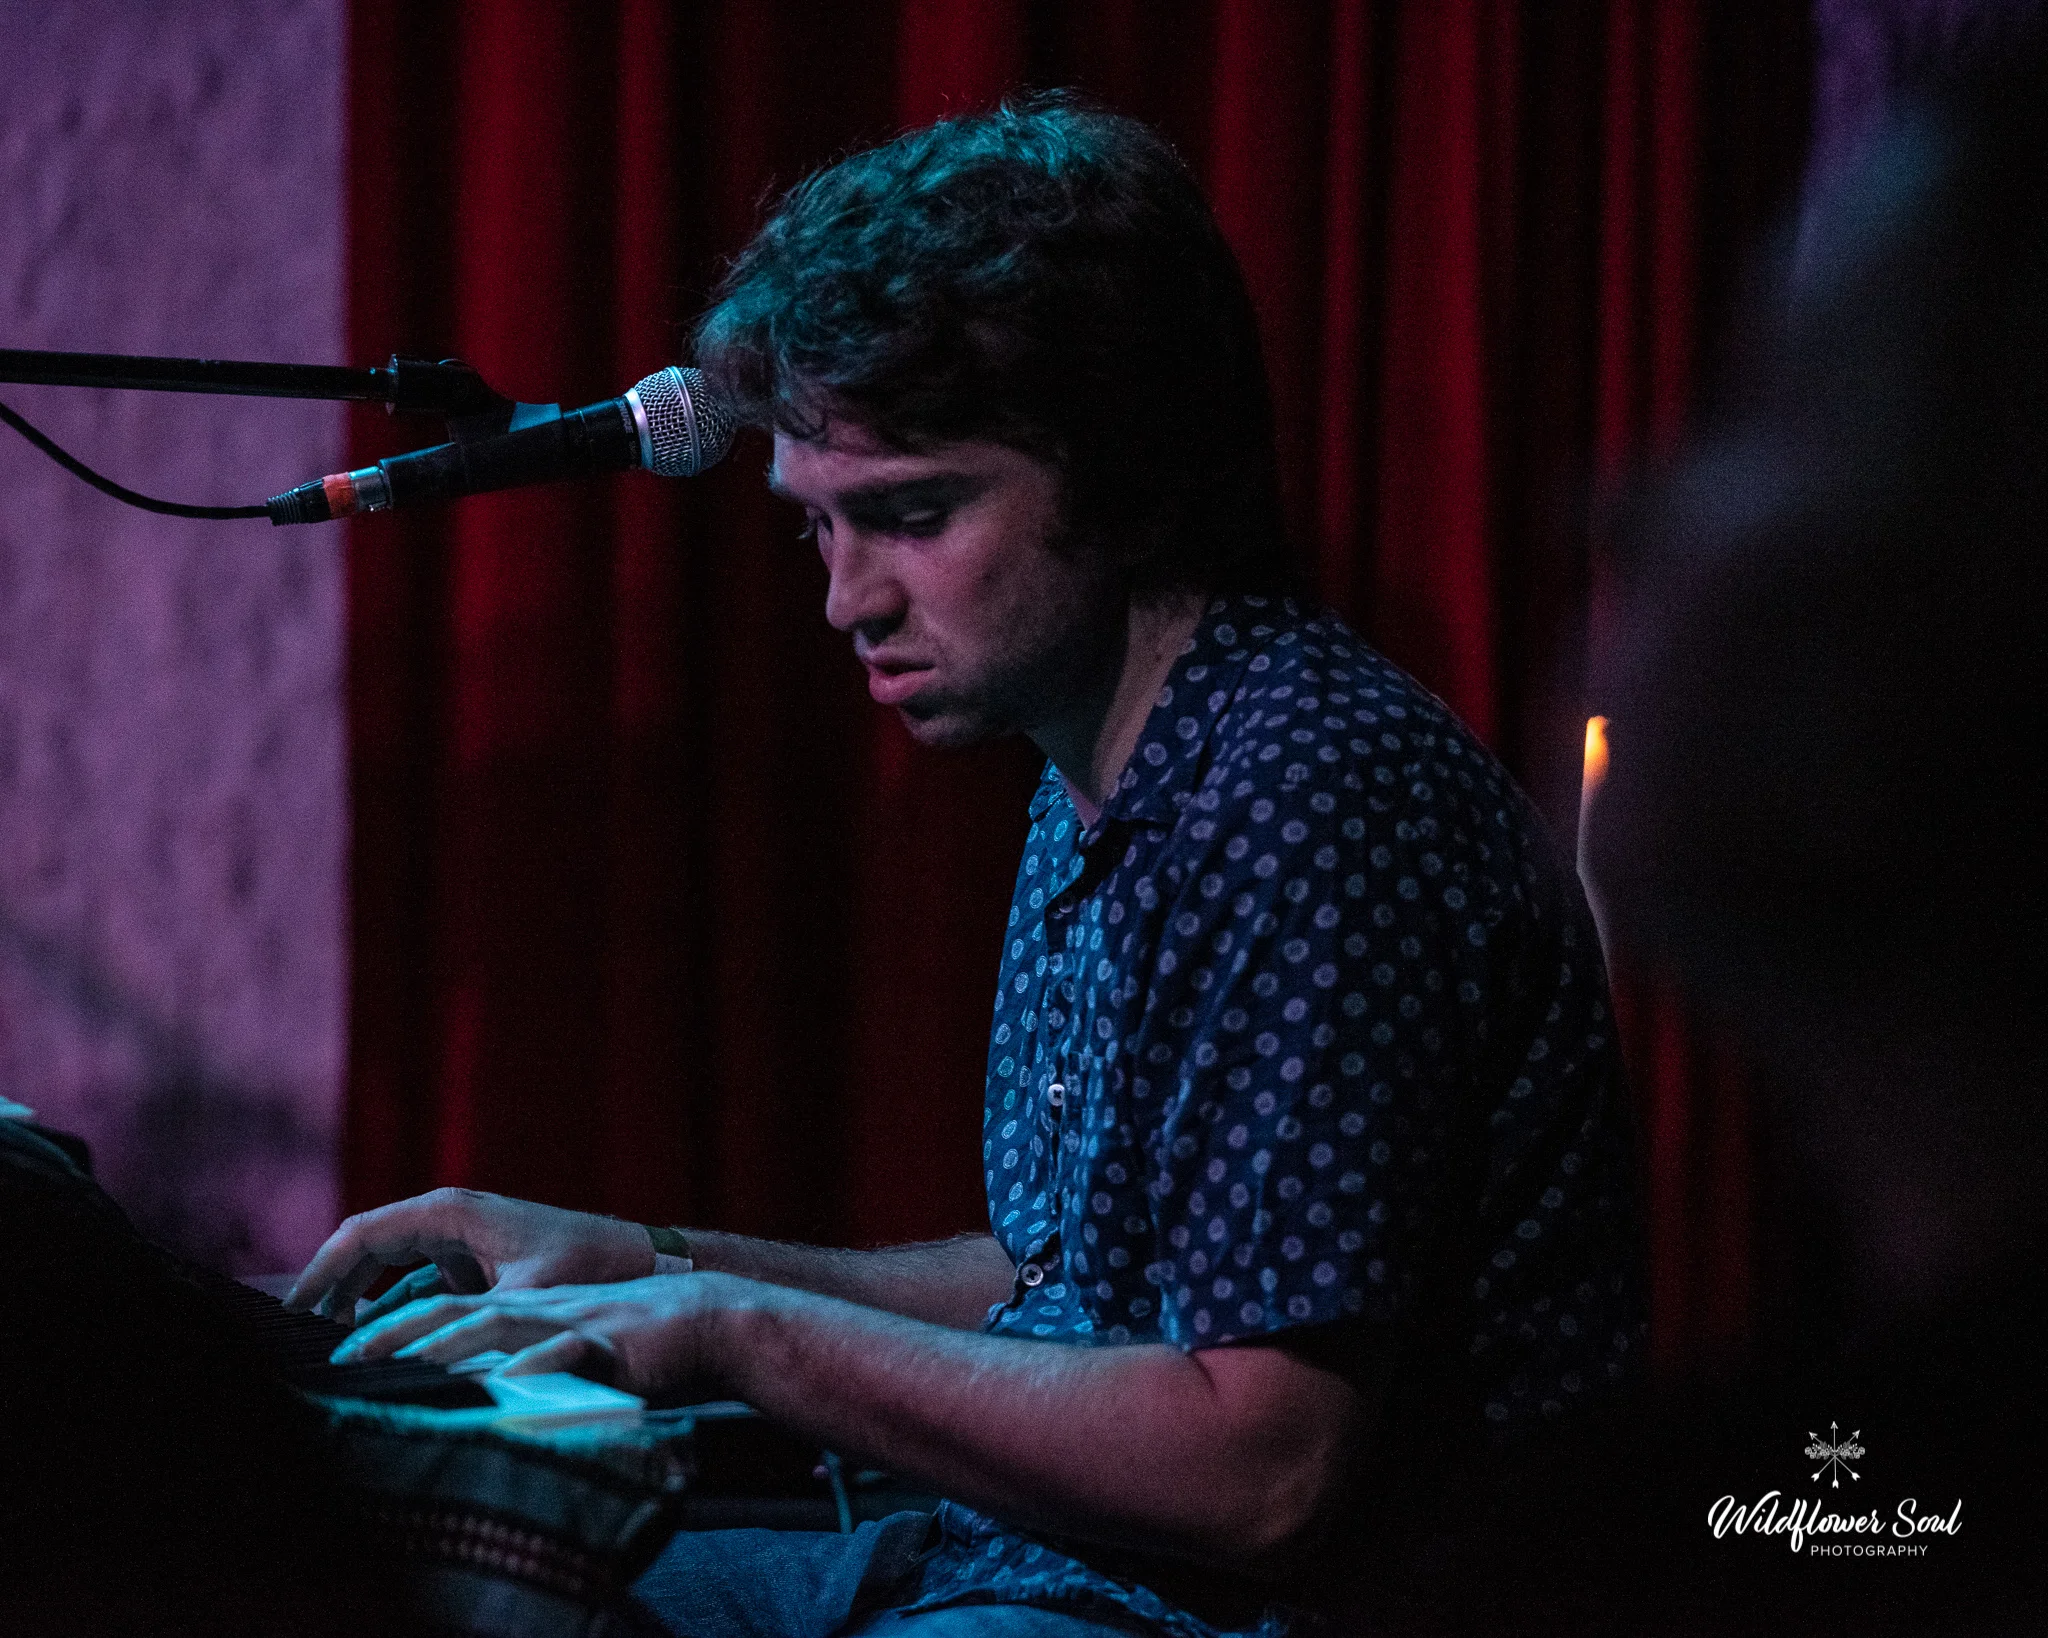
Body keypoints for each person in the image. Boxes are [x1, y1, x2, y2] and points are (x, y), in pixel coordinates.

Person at [288, 94, 1642, 1637]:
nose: (847, 600)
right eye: (818, 530)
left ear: (1128, 472)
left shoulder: (1303, 796)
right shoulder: (1104, 757)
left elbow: (1267, 1468)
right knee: (443, 1578)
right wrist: (646, 1262)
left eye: (912, 515)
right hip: (1030, 1567)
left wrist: (736, 1331)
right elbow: (1069, 1284)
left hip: (1240, 1615)